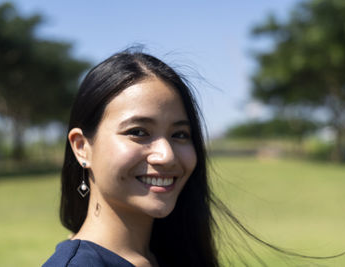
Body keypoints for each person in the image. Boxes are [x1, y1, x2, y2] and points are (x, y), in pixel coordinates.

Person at [43, 50, 219, 267]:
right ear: (81, 147)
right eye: (138, 132)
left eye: (180, 135)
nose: (167, 155)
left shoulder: (174, 254)